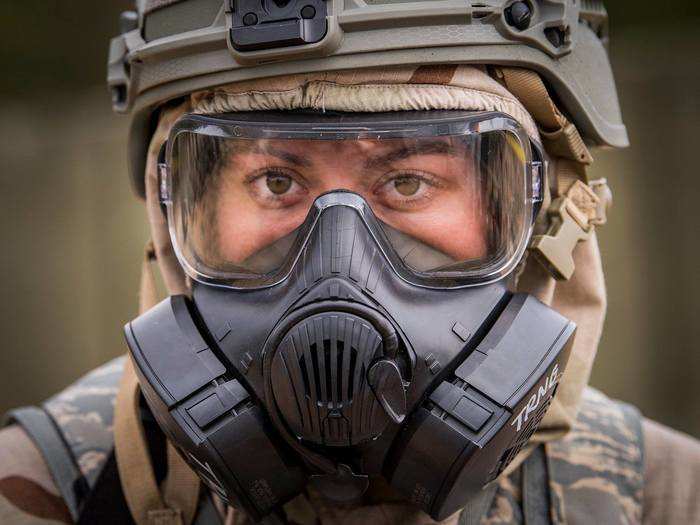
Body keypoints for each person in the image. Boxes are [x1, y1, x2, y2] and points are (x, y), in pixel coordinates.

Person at [1, 1, 699, 524]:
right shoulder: (47, 489)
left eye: (409, 180)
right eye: (276, 180)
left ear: (551, 217)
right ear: (174, 216)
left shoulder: (664, 496)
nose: (338, 264)